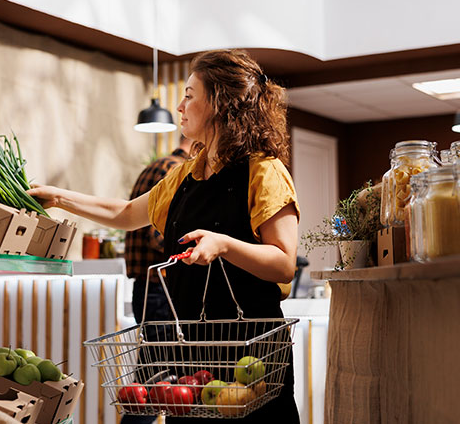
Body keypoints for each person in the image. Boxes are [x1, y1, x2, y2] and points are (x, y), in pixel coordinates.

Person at [29, 49, 300, 423]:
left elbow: (284, 263)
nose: (180, 105)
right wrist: (58, 197)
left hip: (252, 356)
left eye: (190, 94)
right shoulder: (184, 176)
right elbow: (124, 214)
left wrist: (223, 245)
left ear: (219, 103)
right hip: (193, 354)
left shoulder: (264, 172)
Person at [122, 135, 192, 424]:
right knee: (154, 387)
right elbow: (158, 235)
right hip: (160, 289)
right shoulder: (175, 170)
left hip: (148, 289)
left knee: (149, 384)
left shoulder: (155, 166)